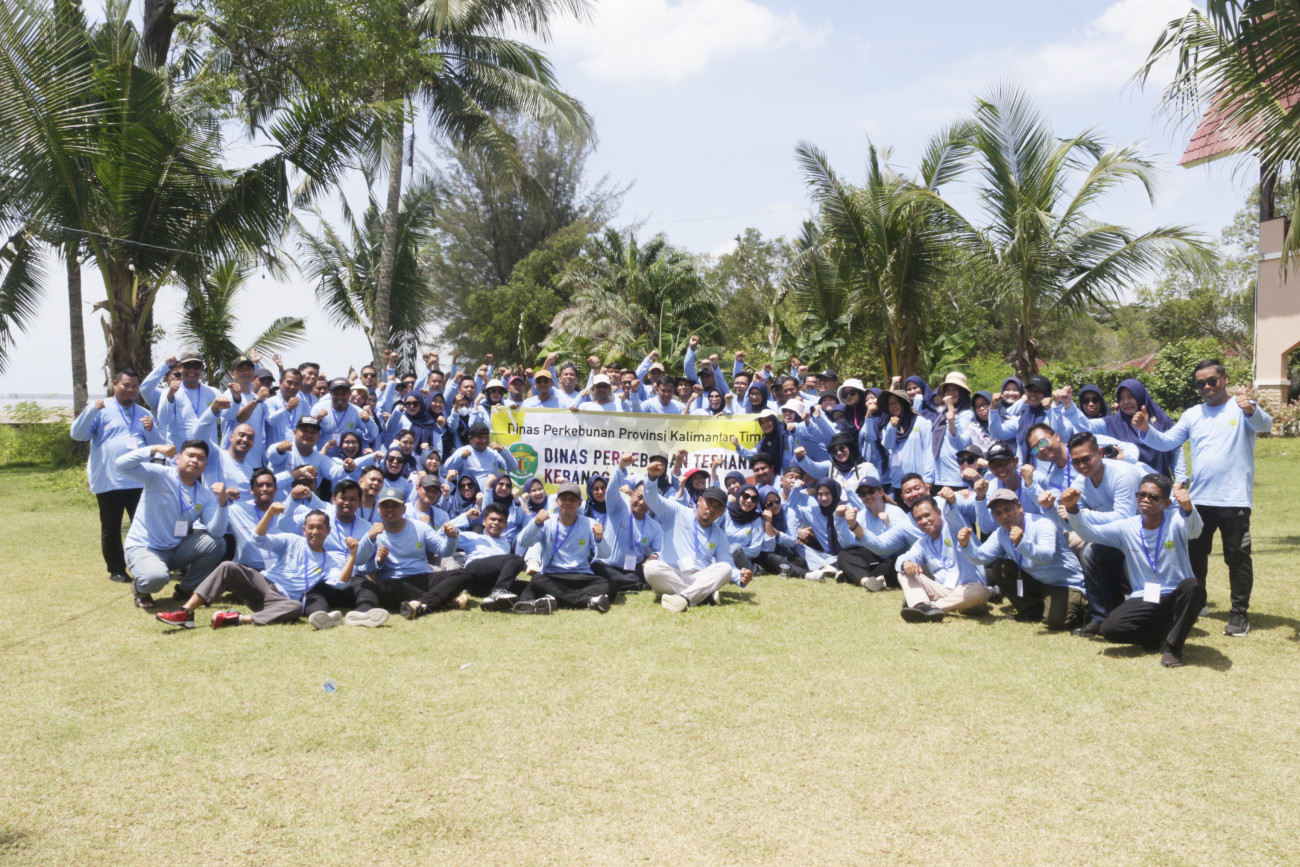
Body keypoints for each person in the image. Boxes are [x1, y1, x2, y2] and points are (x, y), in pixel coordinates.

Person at [1133, 360, 1273, 637]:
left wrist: (1251, 408)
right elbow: (1166, 441)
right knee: (1195, 554)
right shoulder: (1193, 414)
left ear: (1224, 379)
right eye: (1200, 384)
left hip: (1234, 500)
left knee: (1237, 558)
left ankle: (1238, 616)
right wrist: (1145, 429)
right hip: (1199, 500)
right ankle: (1197, 604)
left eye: (1212, 381)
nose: (1207, 387)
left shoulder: (1241, 407)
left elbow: (1265, 425)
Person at [1064, 474, 1206, 667]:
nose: (1145, 500)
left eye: (1153, 497)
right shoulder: (1127, 527)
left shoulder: (1176, 521)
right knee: (1110, 629)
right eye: (1141, 495)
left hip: (1175, 594)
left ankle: (1173, 650)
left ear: (1166, 503)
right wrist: (1072, 508)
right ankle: (1155, 637)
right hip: (1146, 595)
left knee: (1194, 586)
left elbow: (1196, 531)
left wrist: (1189, 508)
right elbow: (1089, 533)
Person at [155, 502, 359, 629]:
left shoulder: (330, 560)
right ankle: (186, 612)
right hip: (262, 582)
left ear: (328, 530)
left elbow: (340, 583)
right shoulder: (290, 539)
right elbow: (258, 539)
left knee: (296, 608)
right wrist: (269, 513)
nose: (315, 532)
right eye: (311, 527)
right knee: (228, 566)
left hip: (282, 601)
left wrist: (352, 556)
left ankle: (236, 619)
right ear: (304, 529)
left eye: (320, 528)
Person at [1044, 432, 1143, 638]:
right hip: (1119, 534)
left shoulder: (1124, 474)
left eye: (1086, 459)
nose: (1081, 466)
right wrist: (1051, 510)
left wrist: (1080, 513)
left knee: (1102, 554)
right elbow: (1072, 524)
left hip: (1145, 532)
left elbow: (1124, 516)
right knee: (1090, 552)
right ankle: (1101, 617)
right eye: (1076, 461)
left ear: (1099, 453)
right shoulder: (1082, 482)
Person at [70, 368, 164, 583]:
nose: (130, 390)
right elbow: (78, 434)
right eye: (126, 385)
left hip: (140, 481)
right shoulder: (101, 408)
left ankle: (147, 566)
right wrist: (91, 411)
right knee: (111, 527)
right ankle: (117, 570)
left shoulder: (144, 413)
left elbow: (158, 447)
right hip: (109, 481)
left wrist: (151, 430)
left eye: (134, 386)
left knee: (143, 527)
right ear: (114, 384)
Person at [116, 441, 230, 610]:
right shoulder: (158, 475)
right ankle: (141, 590)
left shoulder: (205, 494)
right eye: (190, 455)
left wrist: (222, 503)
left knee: (217, 544)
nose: (194, 461)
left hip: (175, 549)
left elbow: (217, 532)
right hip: (145, 547)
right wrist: (155, 448)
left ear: (205, 465)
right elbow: (121, 465)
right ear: (178, 458)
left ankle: (186, 588)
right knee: (156, 578)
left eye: (200, 458)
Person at [958, 488, 1086, 630]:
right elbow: (980, 557)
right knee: (1001, 567)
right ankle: (1032, 609)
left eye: (1008, 510)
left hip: (1065, 583)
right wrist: (965, 545)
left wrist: (1021, 543)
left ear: (1019, 507)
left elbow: (1046, 556)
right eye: (998, 514)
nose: (1004, 516)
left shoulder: (1042, 524)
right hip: (1038, 581)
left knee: (1057, 622)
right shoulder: (1001, 533)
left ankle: (1083, 606)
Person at [641, 463, 752, 611]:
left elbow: (728, 564)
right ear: (700, 501)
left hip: (699, 576)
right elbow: (651, 499)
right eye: (709, 503)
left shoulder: (719, 535)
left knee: (724, 568)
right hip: (671, 573)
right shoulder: (676, 511)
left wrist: (740, 576)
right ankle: (702, 594)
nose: (711, 509)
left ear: (722, 512)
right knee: (651, 568)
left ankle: (683, 598)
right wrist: (651, 477)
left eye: (717, 507)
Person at [353, 487, 463, 619]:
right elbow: (359, 562)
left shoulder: (419, 527)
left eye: (395, 505)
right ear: (378, 509)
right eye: (385, 505)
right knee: (387, 587)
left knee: (463, 574)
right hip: (396, 582)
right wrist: (372, 545)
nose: (389, 509)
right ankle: (442, 600)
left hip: (423, 577)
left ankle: (425, 603)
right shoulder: (373, 532)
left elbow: (445, 551)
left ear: (404, 509)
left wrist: (451, 537)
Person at [513, 482, 609, 614]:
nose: (568, 502)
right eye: (564, 499)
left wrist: (600, 539)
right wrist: (535, 522)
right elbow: (523, 542)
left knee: (607, 585)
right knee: (537, 581)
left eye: (572, 499)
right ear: (557, 501)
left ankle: (553, 597)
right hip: (552, 575)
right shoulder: (546, 522)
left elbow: (604, 555)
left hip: (581, 575)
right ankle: (586, 600)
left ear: (580, 503)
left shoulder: (589, 523)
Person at [896, 496, 990, 622]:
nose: (924, 521)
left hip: (967, 589)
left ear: (939, 513)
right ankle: (921, 604)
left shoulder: (953, 529)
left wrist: (951, 501)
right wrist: (906, 563)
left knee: (979, 592)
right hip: (943, 590)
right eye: (918, 518)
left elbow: (953, 515)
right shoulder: (923, 543)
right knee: (903, 572)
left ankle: (929, 607)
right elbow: (902, 559)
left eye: (927, 515)